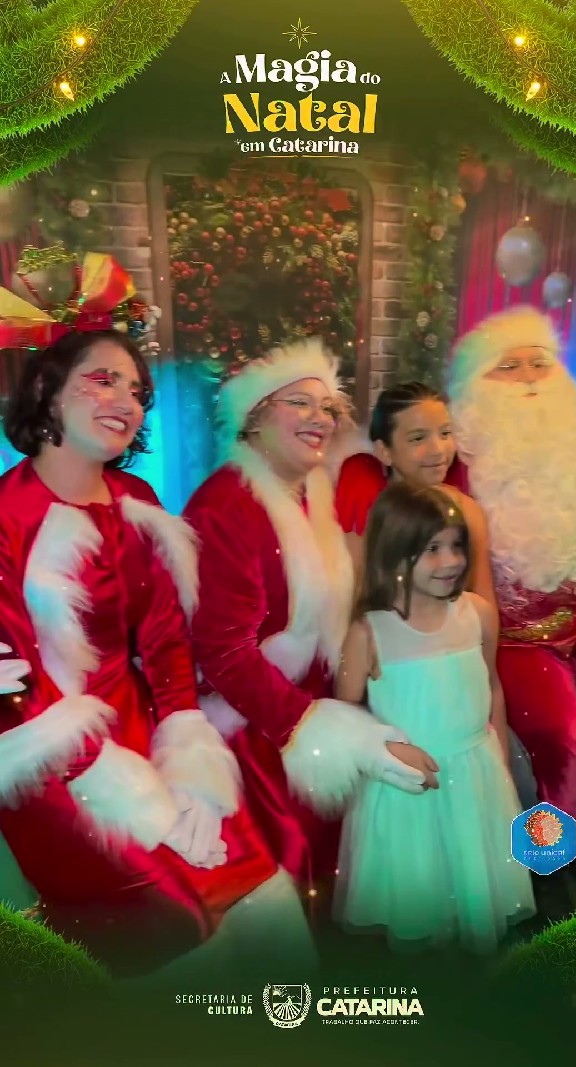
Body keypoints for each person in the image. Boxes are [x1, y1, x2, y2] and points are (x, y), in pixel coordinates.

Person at [0, 329, 313, 978]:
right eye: (103, 379)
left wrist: (189, 753)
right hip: (45, 758)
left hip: (144, 728)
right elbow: (13, 687)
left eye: (137, 391)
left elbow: (167, 641)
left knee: (256, 883)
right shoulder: (8, 515)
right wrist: (134, 799)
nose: (127, 401)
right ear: (47, 390)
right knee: (177, 915)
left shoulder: (138, 503)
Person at [183, 340, 433, 901]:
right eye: (300, 402)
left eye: (327, 408)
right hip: (256, 728)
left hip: (315, 705)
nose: (320, 418)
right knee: (291, 866)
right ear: (254, 419)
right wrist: (319, 725)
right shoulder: (225, 505)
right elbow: (224, 655)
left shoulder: (314, 493)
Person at [333, 482, 535, 953]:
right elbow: (345, 716)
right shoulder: (369, 633)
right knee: (422, 910)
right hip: (409, 792)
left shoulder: (478, 614)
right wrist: (385, 748)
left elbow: (492, 684)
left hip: (476, 779)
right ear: (394, 552)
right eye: (431, 549)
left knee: (476, 893)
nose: (451, 561)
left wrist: (499, 760)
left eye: (456, 546)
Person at [447, 305, 576, 879]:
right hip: (515, 639)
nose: (530, 377)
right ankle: (544, 862)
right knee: (563, 734)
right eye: (509, 366)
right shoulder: (457, 456)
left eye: (540, 363)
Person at [334, 382, 495, 604]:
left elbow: (483, 601)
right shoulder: (365, 510)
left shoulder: (467, 511)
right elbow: (351, 599)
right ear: (384, 451)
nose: (438, 450)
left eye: (445, 433)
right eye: (418, 438)